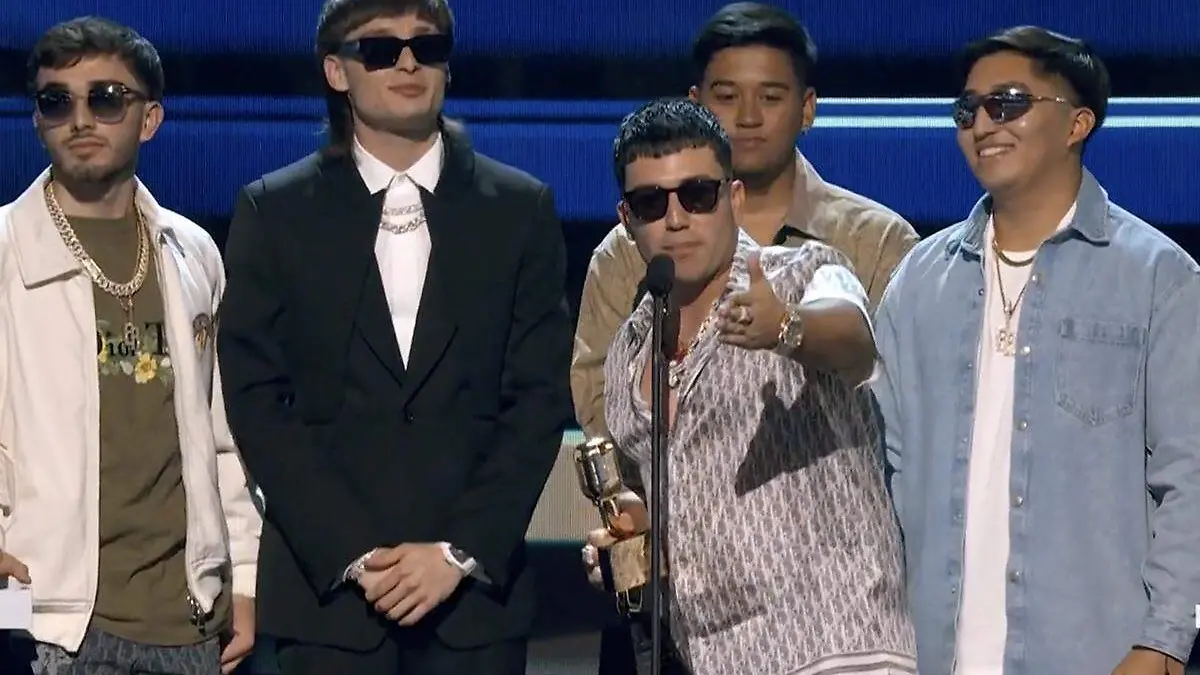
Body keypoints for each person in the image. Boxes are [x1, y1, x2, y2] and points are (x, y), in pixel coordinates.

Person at [215, 1, 572, 674]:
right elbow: (257, 399)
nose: (408, 62)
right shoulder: (274, 209)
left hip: (474, 610)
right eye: (380, 49)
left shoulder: (519, 208)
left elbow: (538, 397)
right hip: (327, 607)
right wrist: (354, 553)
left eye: (426, 47)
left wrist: (457, 552)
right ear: (336, 71)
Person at [872, 26, 1200, 675]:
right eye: (968, 109)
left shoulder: (1159, 278)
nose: (982, 124)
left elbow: (1190, 478)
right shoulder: (919, 281)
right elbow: (880, 473)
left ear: (1077, 123)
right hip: (930, 654)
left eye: (1008, 103)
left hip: (1098, 655)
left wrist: (1164, 641)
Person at [581, 97, 916, 675]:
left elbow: (853, 339)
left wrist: (787, 328)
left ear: (733, 198)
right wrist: (641, 533)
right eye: (652, 203)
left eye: (697, 195)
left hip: (838, 651)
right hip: (716, 657)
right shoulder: (629, 353)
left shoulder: (803, 274)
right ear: (627, 219)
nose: (676, 219)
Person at [0, 16, 260, 675]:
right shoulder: (5, 251)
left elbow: (223, 438)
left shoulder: (193, 252)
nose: (81, 118)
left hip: (190, 619)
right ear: (37, 121)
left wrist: (246, 580)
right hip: (48, 620)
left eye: (107, 98)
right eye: (57, 101)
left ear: (150, 118)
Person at [571, 2, 918, 442]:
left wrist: (788, 327)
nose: (749, 117)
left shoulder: (875, 242)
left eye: (770, 97)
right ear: (696, 105)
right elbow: (597, 397)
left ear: (807, 108)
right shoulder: (629, 249)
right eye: (727, 97)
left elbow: (900, 387)